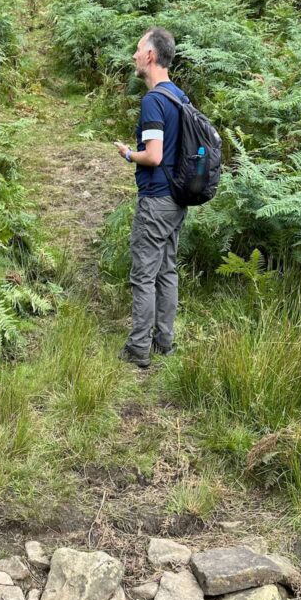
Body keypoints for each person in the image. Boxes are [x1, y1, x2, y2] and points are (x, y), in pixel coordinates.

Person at [114, 27, 187, 369]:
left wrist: (130, 154)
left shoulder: (154, 101)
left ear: (151, 56)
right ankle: (164, 342)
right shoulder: (179, 97)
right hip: (177, 199)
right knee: (167, 271)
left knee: (144, 275)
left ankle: (139, 348)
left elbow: (154, 155)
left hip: (156, 199)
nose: (133, 55)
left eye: (138, 49)